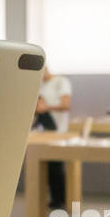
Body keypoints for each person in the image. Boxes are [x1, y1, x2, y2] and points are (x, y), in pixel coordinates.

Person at [34, 65, 73, 209]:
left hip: (60, 132)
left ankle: (61, 199)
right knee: (48, 168)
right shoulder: (40, 86)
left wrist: (46, 108)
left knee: (57, 167)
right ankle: (54, 199)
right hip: (44, 132)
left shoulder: (61, 82)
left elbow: (65, 105)